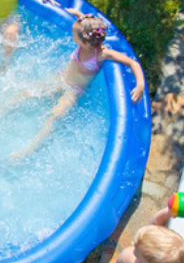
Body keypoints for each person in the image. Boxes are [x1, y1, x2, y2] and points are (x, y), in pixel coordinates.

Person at [9, 8, 145, 158]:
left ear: (84, 42)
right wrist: (74, 12)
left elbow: (133, 63)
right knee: (26, 93)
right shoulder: (89, 35)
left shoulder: (101, 54)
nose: (71, 35)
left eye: (74, 35)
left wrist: (140, 85)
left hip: (73, 90)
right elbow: (86, 21)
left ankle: (27, 151)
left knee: (54, 118)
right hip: (60, 79)